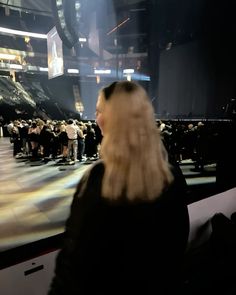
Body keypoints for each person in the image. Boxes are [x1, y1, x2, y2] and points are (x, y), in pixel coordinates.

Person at [48, 81, 190, 295]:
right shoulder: (171, 172)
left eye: (99, 111)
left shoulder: (101, 179)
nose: (96, 118)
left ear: (114, 118)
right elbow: (178, 240)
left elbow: (74, 266)